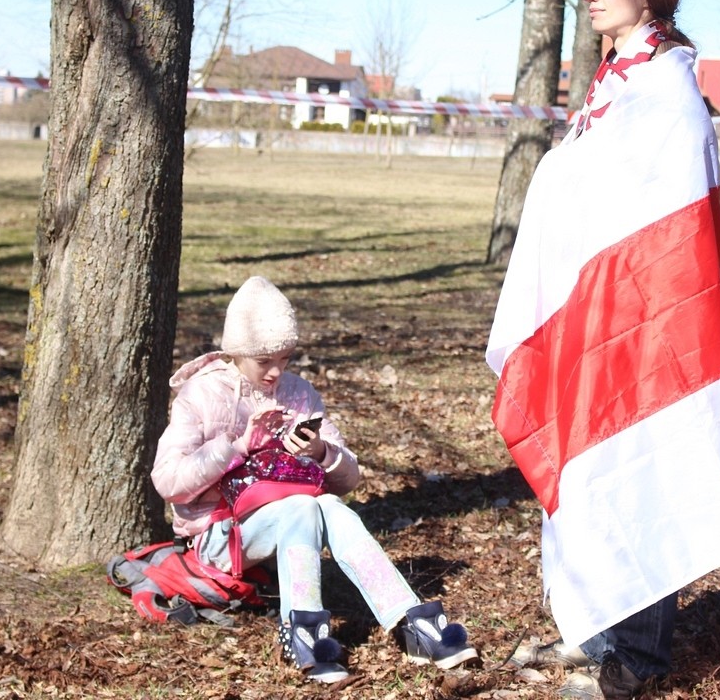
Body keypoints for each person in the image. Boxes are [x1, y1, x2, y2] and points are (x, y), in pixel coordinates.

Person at [486, 0, 720, 700]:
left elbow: (662, 222)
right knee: (590, 457)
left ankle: (637, 659)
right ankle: (599, 627)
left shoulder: (667, 92)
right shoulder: (618, 81)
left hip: (648, 317)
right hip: (595, 307)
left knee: (637, 460)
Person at [152, 276, 477, 683]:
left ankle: (411, 621)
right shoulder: (200, 395)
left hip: (292, 518)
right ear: (238, 352)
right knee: (306, 505)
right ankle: (303, 628)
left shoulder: (299, 394)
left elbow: (349, 478)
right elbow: (168, 482)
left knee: (328, 505)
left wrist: (320, 452)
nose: (276, 372)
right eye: (264, 360)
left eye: (285, 358)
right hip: (218, 535)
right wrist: (237, 447)